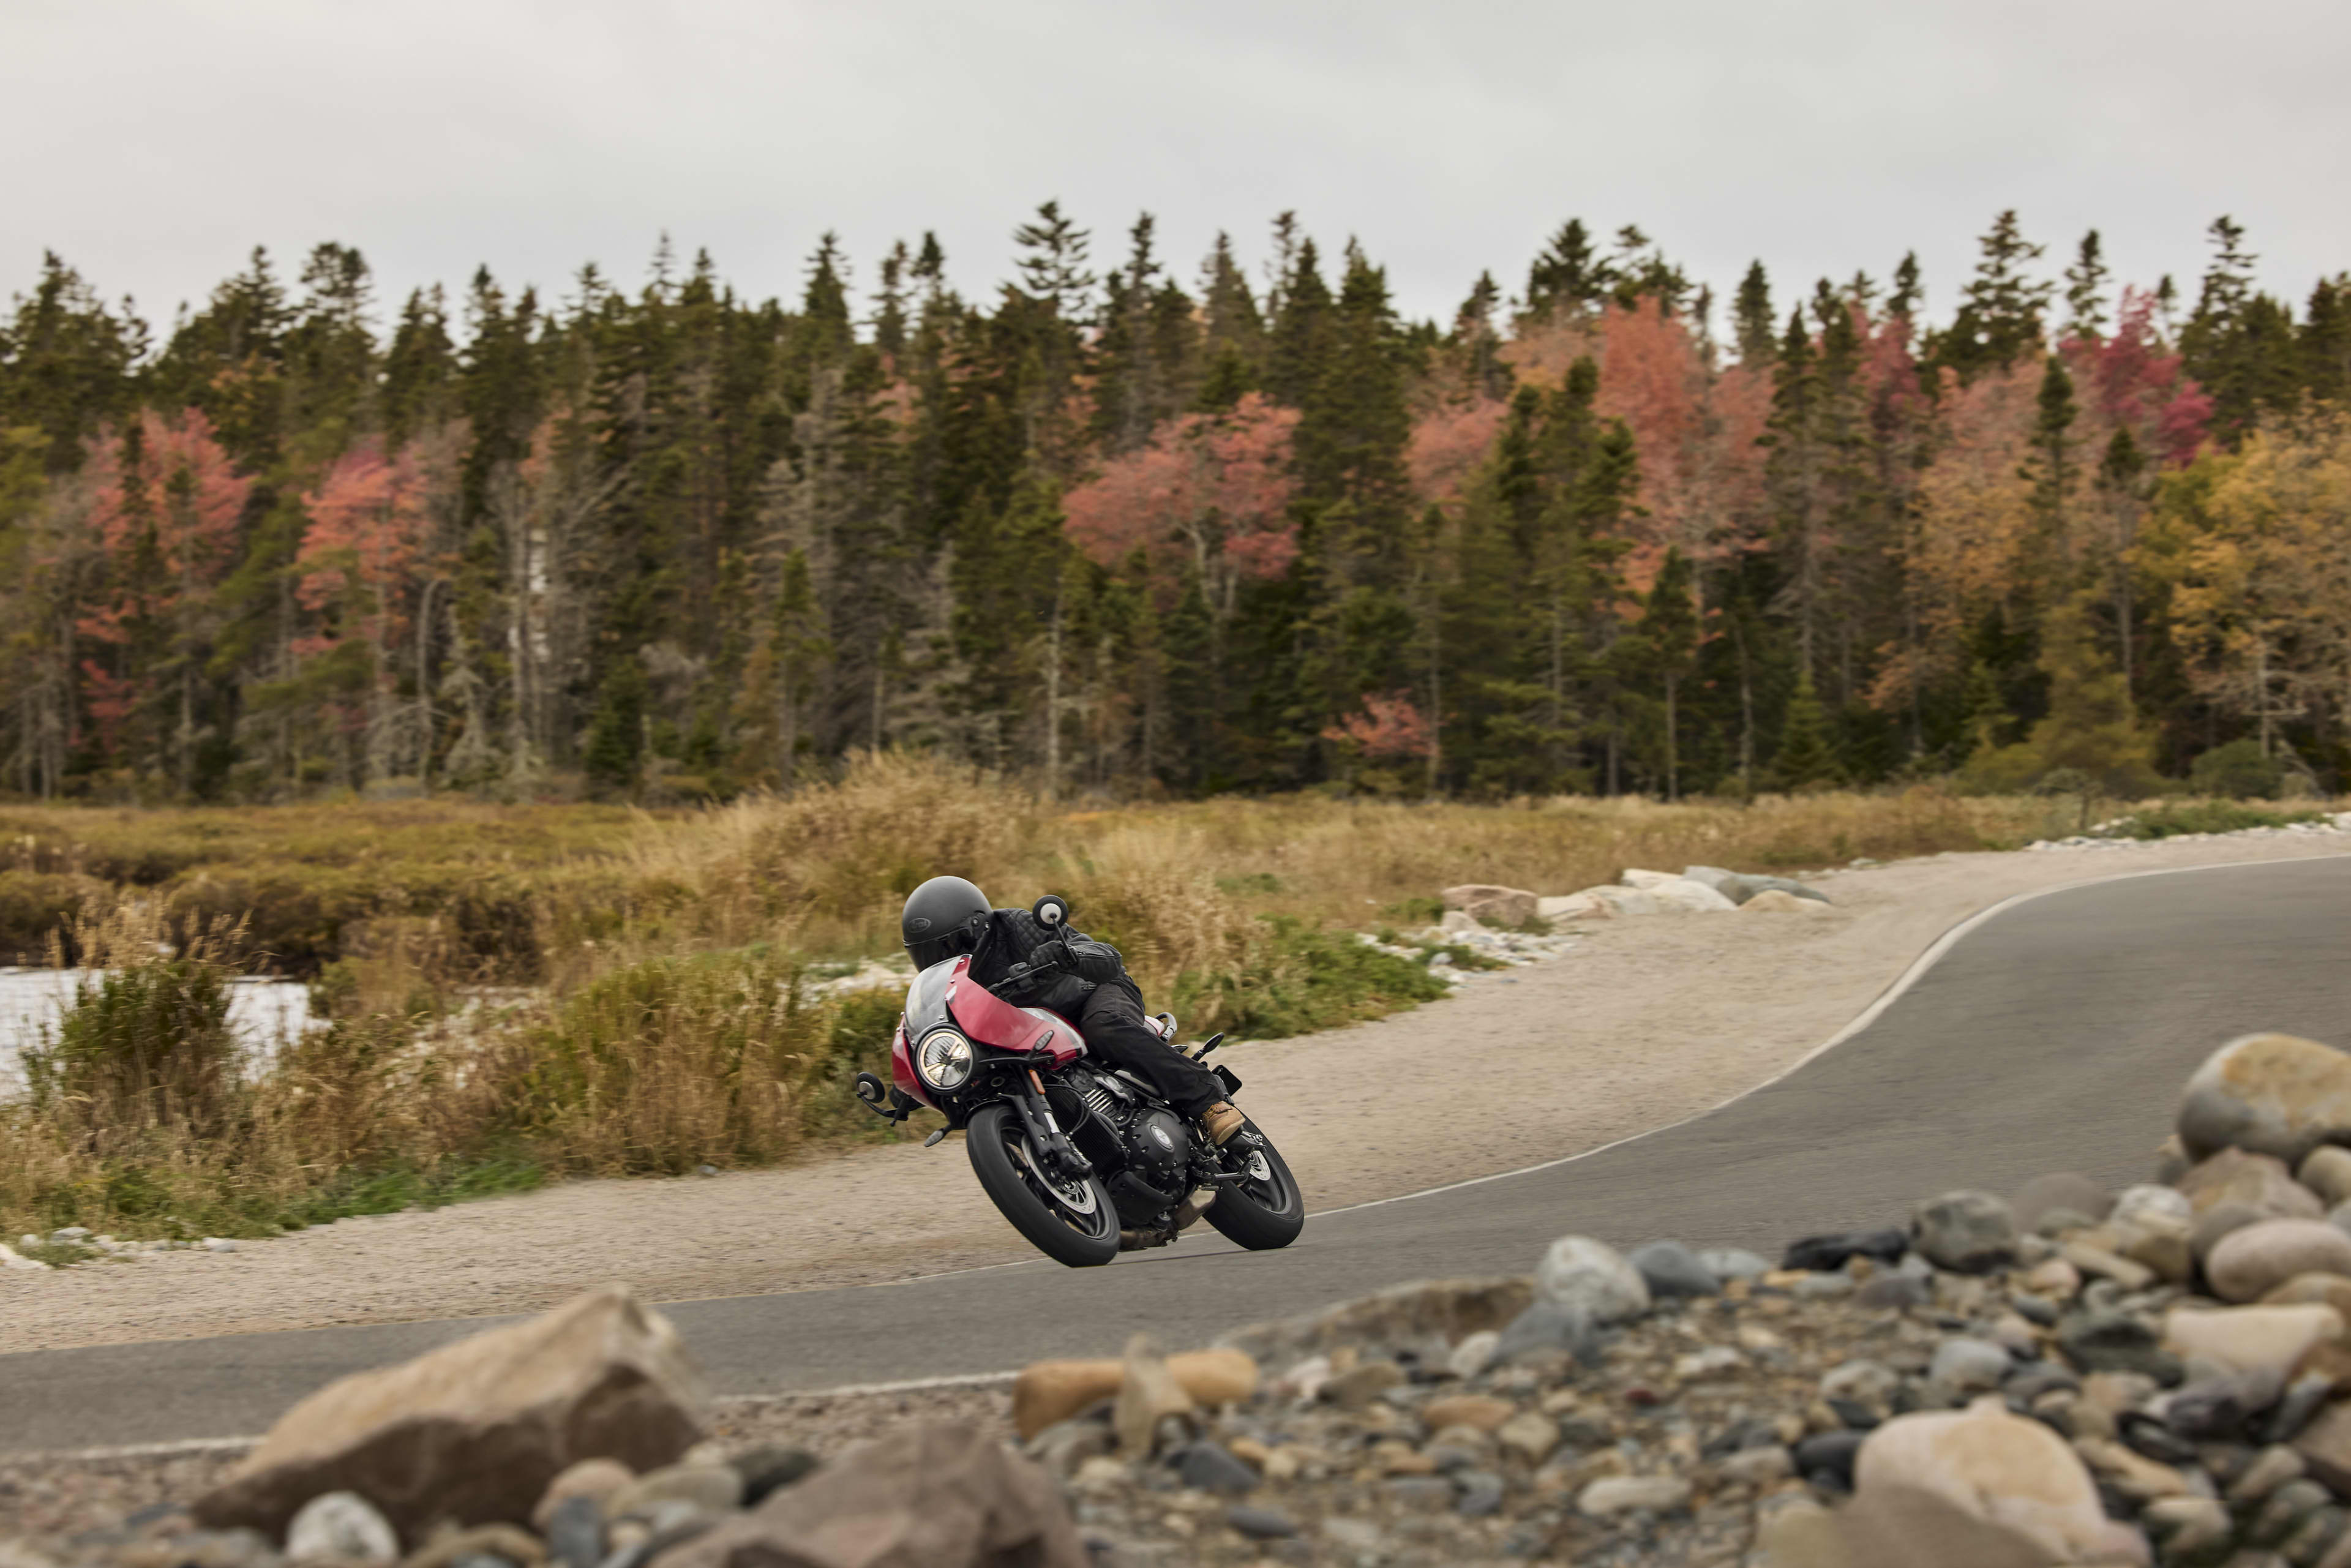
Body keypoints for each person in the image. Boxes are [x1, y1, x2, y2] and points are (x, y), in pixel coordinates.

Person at [899, 875, 1245, 1144]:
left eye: (950, 945)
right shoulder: (952, 988)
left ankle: (1208, 1101)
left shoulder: (1019, 927)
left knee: (1104, 1025)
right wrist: (928, 1079)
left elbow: (1108, 959)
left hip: (1092, 996)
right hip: (1038, 1039)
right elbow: (953, 1037)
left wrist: (1070, 956)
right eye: (929, 953)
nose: (944, 958)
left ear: (978, 927)